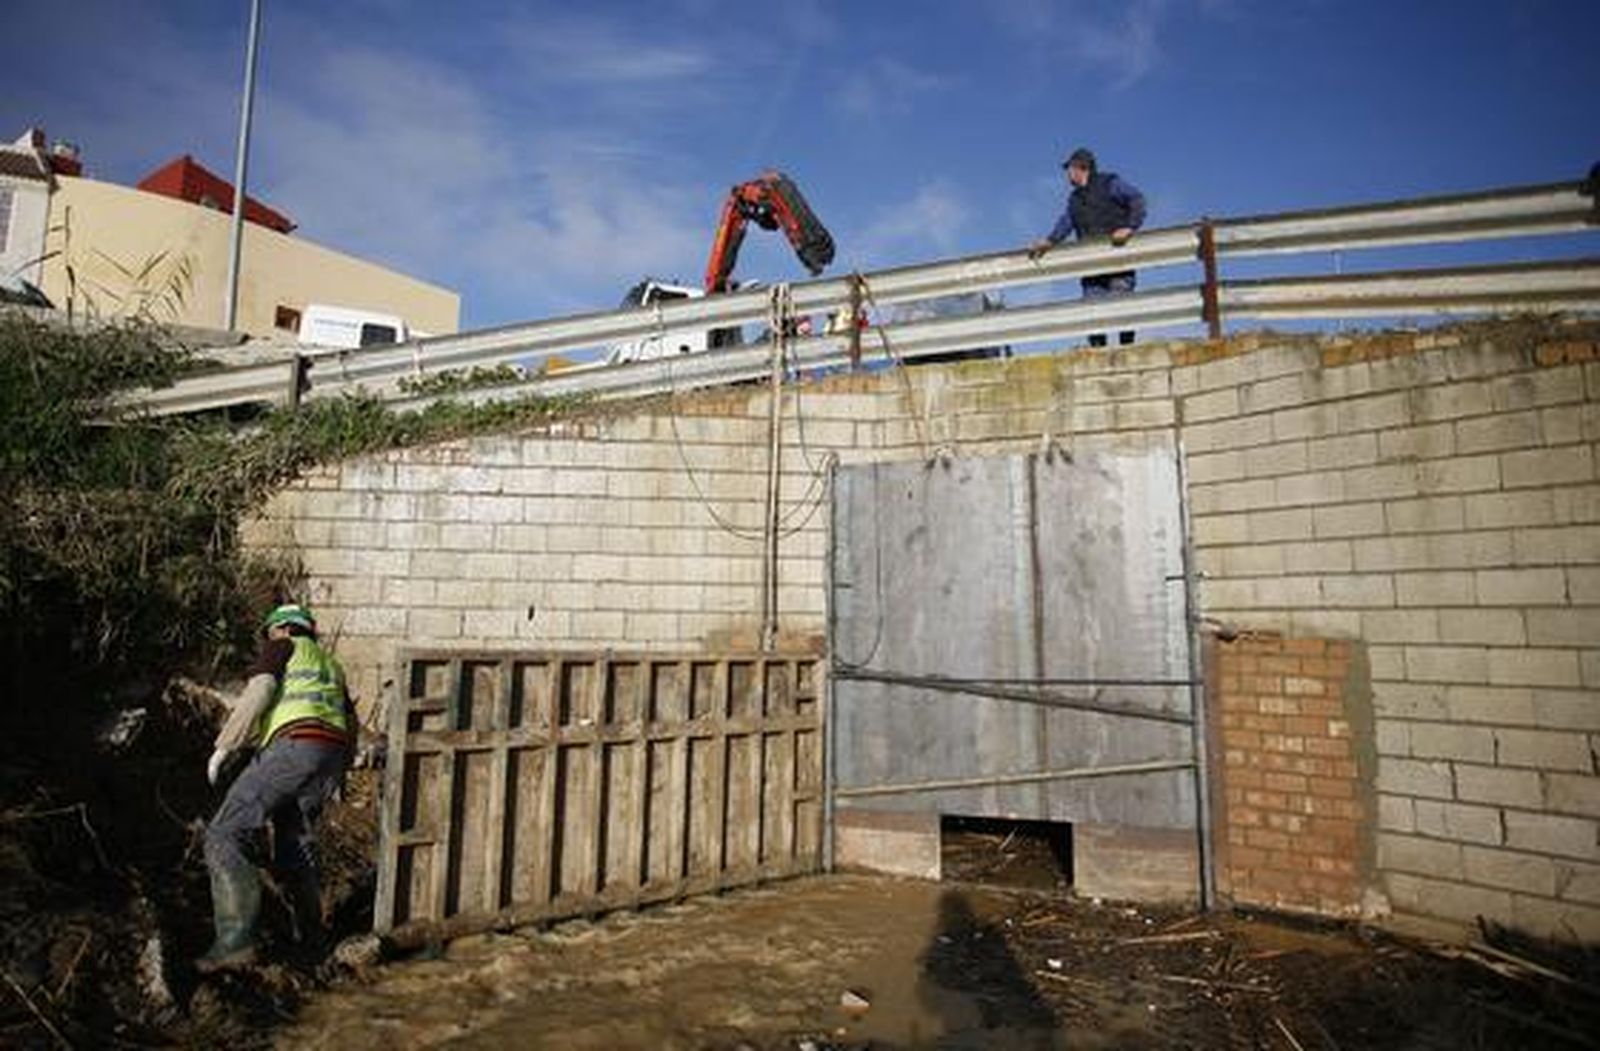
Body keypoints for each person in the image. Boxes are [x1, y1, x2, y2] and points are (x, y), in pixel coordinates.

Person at [197, 603, 354, 972]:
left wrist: (224, 745)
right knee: (295, 842)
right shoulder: (332, 666)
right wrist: (341, 774)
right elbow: (350, 722)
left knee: (224, 832)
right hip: (328, 757)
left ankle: (235, 943)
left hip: (294, 747)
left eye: (269, 632)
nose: (267, 639)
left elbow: (261, 690)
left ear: (281, 628)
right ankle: (312, 942)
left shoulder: (282, 647)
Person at [1029, 147, 1147, 347]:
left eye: (1069, 168)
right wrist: (1049, 241)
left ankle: (1127, 350)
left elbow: (1137, 199)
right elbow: (1066, 222)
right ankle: (1098, 354)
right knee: (1092, 312)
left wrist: (1129, 227)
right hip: (1091, 266)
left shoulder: (1110, 183)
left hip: (1118, 259)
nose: (1067, 173)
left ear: (1080, 168)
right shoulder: (1074, 199)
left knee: (1123, 306)